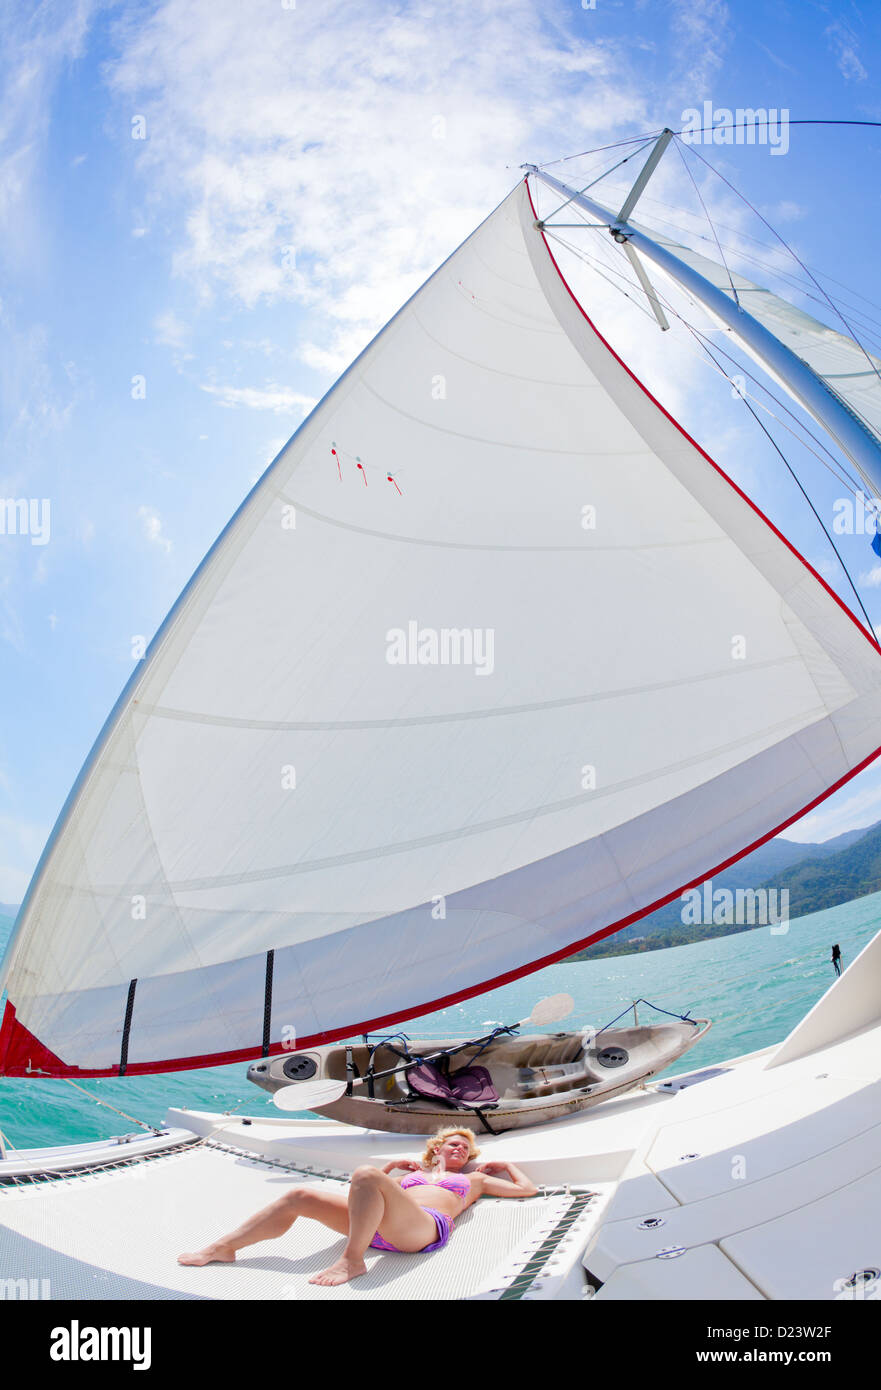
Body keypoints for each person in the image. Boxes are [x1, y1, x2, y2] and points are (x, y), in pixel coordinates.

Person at [178, 1124, 538, 1285]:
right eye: (453, 1144)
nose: (459, 1149)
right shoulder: (409, 1176)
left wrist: (507, 1166)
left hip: (420, 1230)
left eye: (465, 1148)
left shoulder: (474, 1180)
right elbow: (365, 1194)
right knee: (299, 1196)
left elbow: (527, 1190)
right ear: (436, 1148)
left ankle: (352, 1260)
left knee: (365, 1173)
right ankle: (223, 1248)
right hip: (378, 1227)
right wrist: (391, 1169)